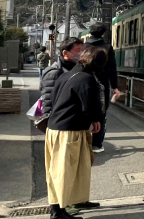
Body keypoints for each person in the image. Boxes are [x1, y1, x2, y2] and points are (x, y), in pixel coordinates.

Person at [45, 46, 106, 219]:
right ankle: (58, 212)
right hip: (69, 131)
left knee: (59, 171)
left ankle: (65, 206)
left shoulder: (66, 74)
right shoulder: (87, 79)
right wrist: (96, 120)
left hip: (55, 129)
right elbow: (90, 106)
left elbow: (54, 98)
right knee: (65, 172)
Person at [83, 23, 120, 153]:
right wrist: (115, 87)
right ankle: (97, 144)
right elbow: (112, 69)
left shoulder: (83, 47)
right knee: (101, 113)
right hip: (102, 85)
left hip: (84, 83)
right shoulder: (107, 47)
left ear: (90, 33)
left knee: (84, 110)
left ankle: (82, 142)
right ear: (103, 33)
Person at [41, 39, 83, 116]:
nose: (82, 53)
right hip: (59, 119)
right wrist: (47, 118)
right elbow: (48, 99)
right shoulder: (54, 73)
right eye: (78, 50)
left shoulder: (79, 69)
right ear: (65, 53)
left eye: (82, 50)